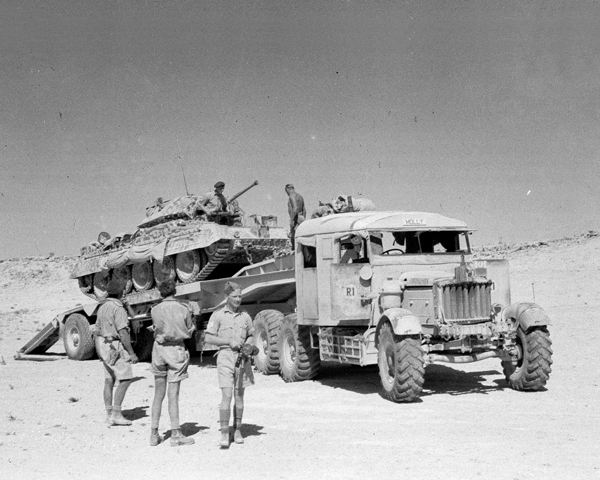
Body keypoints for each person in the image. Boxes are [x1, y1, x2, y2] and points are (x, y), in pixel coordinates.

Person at [205, 281, 255, 448]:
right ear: (226, 297)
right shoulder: (218, 315)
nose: (238, 299)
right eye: (234, 296)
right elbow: (208, 338)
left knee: (239, 396)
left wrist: (248, 345)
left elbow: (251, 334)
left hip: (242, 358)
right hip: (225, 357)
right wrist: (228, 341)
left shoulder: (245, 316)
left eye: (240, 296)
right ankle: (225, 433)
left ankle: (238, 430)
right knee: (227, 396)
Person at [148, 279, 196, 447]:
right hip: (175, 351)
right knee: (173, 395)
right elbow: (189, 330)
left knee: (158, 394)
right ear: (175, 291)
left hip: (159, 350)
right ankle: (176, 433)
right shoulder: (184, 308)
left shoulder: (155, 309)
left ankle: (154, 433)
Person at [95, 273, 139, 426]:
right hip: (116, 345)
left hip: (104, 345)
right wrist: (132, 353)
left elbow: (97, 330)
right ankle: (117, 414)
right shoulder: (117, 308)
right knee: (125, 378)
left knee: (109, 380)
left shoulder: (103, 307)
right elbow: (123, 332)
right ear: (121, 292)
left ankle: (108, 414)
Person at [285, 184, 306, 249]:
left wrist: (292, 220)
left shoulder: (292, 196)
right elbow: (304, 210)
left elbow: (295, 208)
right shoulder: (300, 196)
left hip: (295, 218)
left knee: (294, 238)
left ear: (287, 189)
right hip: (301, 217)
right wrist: (303, 219)